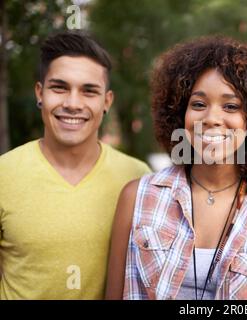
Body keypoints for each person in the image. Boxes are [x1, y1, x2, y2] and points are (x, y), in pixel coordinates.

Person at [105, 36, 247, 300]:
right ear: (178, 114)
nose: (211, 119)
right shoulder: (137, 198)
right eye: (198, 104)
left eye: (231, 106)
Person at [0, 31, 150, 299]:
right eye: (59, 88)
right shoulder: (4, 174)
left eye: (89, 91)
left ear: (106, 102)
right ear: (40, 93)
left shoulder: (139, 179)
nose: (72, 103)